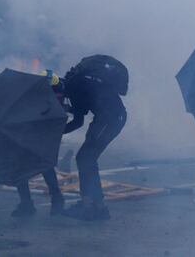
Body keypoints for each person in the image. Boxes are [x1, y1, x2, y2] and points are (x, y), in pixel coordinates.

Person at [60, 55, 129, 221]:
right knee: (86, 158)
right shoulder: (79, 82)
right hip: (110, 118)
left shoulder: (74, 86)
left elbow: (77, 121)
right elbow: (79, 115)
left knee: (85, 158)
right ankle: (97, 206)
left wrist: (56, 131)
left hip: (110, 119)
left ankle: (90, 207)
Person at [11, 71, 67, 217]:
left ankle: (52, 200)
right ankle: (30, 203)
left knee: (43, 167)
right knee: (23, 168)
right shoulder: (49, 94)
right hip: (32, 135)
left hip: (42, 136)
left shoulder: (55, 97)